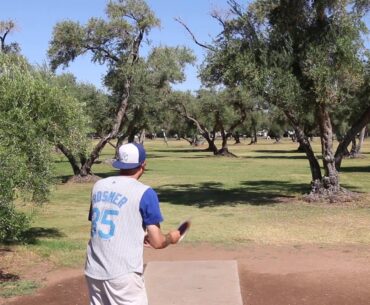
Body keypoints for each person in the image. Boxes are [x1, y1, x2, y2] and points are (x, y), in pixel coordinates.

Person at [85, 142, 181, 305]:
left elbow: (105, 222)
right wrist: (171, 238)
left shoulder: (99, 186)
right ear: (143, 164)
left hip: (93, 270)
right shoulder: (145, 192)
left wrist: (139, 235)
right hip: (123, 273)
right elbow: (157, 242)